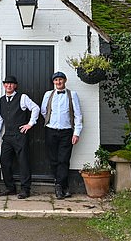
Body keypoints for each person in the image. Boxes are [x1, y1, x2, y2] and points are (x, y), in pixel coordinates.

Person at [0, 75, 40, 199]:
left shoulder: (22, 97)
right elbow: (0, 119)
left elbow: (36, 108)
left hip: (20, 135)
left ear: (15, 86)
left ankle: (25, 189)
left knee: (23, 162)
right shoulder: (1, 100)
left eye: (11, 84)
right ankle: (10, 188)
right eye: (6, 84)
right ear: (4, 85)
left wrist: (30, 124)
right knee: (4, 161)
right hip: (7, 136)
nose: (8, 86)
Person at [41, 71, 83, 199]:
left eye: (60, 80)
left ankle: (60, 186)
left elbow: (78, 115)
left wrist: (76, 133)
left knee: (64, 160)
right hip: (51, 131)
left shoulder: (72, 95)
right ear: (53, 82)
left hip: (66, 132)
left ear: (65, 81)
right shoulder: (48, 95)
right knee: (54, 160)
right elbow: (44, 111)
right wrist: (51, 122)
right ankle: (63, 186)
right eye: (56, 80)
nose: (58, 82)